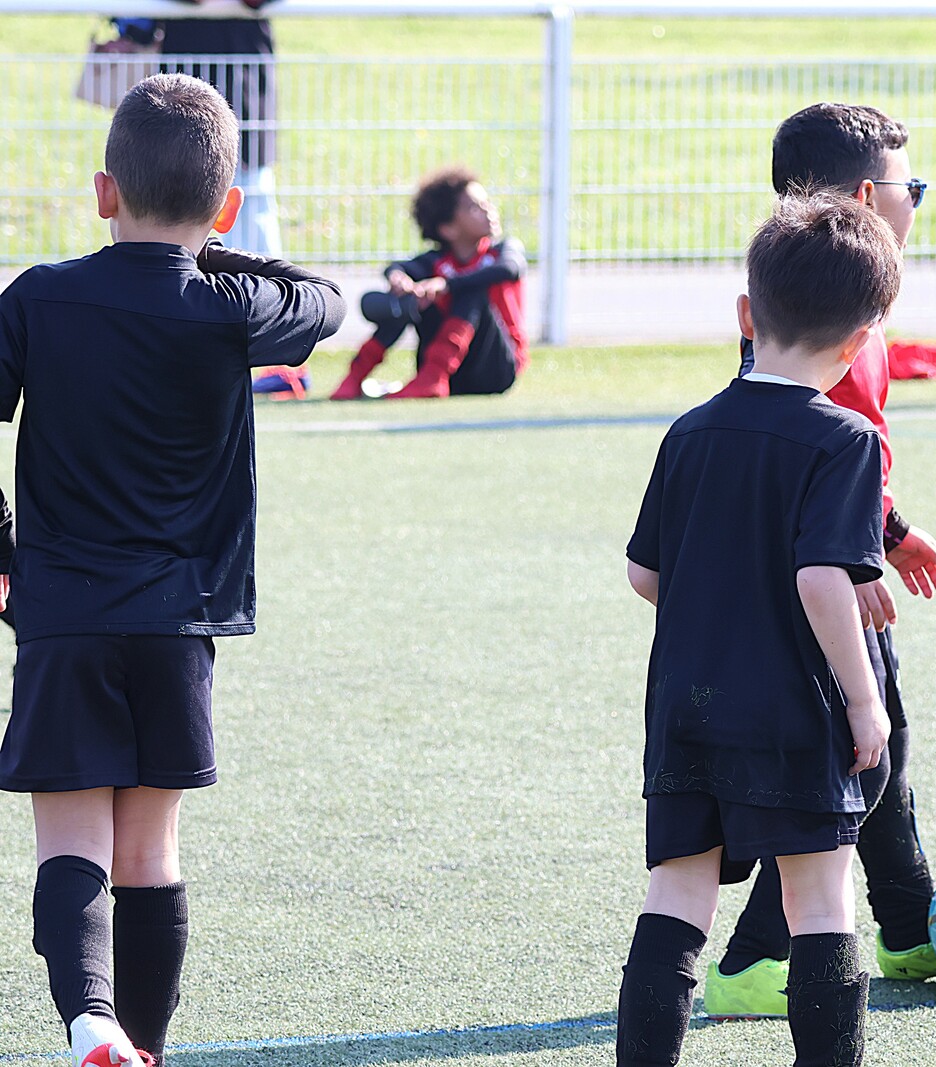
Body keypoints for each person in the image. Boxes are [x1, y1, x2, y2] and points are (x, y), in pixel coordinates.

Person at [0, 74, 344, 1067]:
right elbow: (322, 299)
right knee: (150, 849)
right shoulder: (228, 307)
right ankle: (143, 1045)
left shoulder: (39, 297)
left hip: (61, 611)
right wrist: (209, 250)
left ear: (103, 192)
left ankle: (91, 1023)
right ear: (226, 209)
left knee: (72, 842)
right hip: (179, 618)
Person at [618, 192, 902, 1067]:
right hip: (793, 710)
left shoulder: (690, 430)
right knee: (820, 900)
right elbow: (821, 577)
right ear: (860, 342)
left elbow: (644, 574)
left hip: (687, 703)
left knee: (678, 895)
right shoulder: (846, 439)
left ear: (747, 315)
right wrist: (865, 700)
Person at [709, 102, 936, 1020]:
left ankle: (908, 927)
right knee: (854, 756)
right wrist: (860, 557)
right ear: (865, 197)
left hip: (841, 550)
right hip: (819, 569)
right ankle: (754, 959)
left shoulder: (836, 303)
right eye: (910, 185)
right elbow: (809, 458)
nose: (916, 199)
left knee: (882, 741)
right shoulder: (827, 323)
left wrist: (890, 530)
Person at [329, 167, 528, 401]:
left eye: (487, 202)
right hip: (453, 375)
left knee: (471, 290)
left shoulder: (503, 251)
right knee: (411, 298)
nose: (488, 210)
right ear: (448, 229)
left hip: (496, 369)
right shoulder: (436, 261)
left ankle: (433, 377)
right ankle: (356, 376)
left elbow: (510, 268)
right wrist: (399, 280)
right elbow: (397, 267)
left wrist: (446, 285)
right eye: (475, 207)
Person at [159, 0, 282, 259]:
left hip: (244, 80)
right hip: (183, 86)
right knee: (176, 197)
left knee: (250, 195)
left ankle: (260, 281)